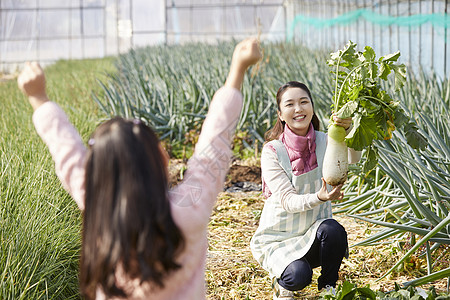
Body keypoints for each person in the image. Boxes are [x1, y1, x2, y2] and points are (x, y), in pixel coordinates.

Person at [17, 38, 262, 300]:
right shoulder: (187, 211)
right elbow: (213, 150)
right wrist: (237, 71)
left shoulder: (99, 206)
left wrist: (39, 98)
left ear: (97, 172)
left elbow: (66, 152)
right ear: (161, 158)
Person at [249, 81, 361, 299]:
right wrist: (320, 197)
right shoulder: (273, 151)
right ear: (280, 114)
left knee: (334, 230)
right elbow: (288, 201)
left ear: (312, 107)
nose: (298, 109)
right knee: (299, 277)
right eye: (290, 104)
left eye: (304, 102)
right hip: (279, 238)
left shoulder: (326, 140)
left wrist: (348, 129)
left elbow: (353, 158)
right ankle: (281, 283)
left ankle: (329, 287)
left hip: (313, 231)